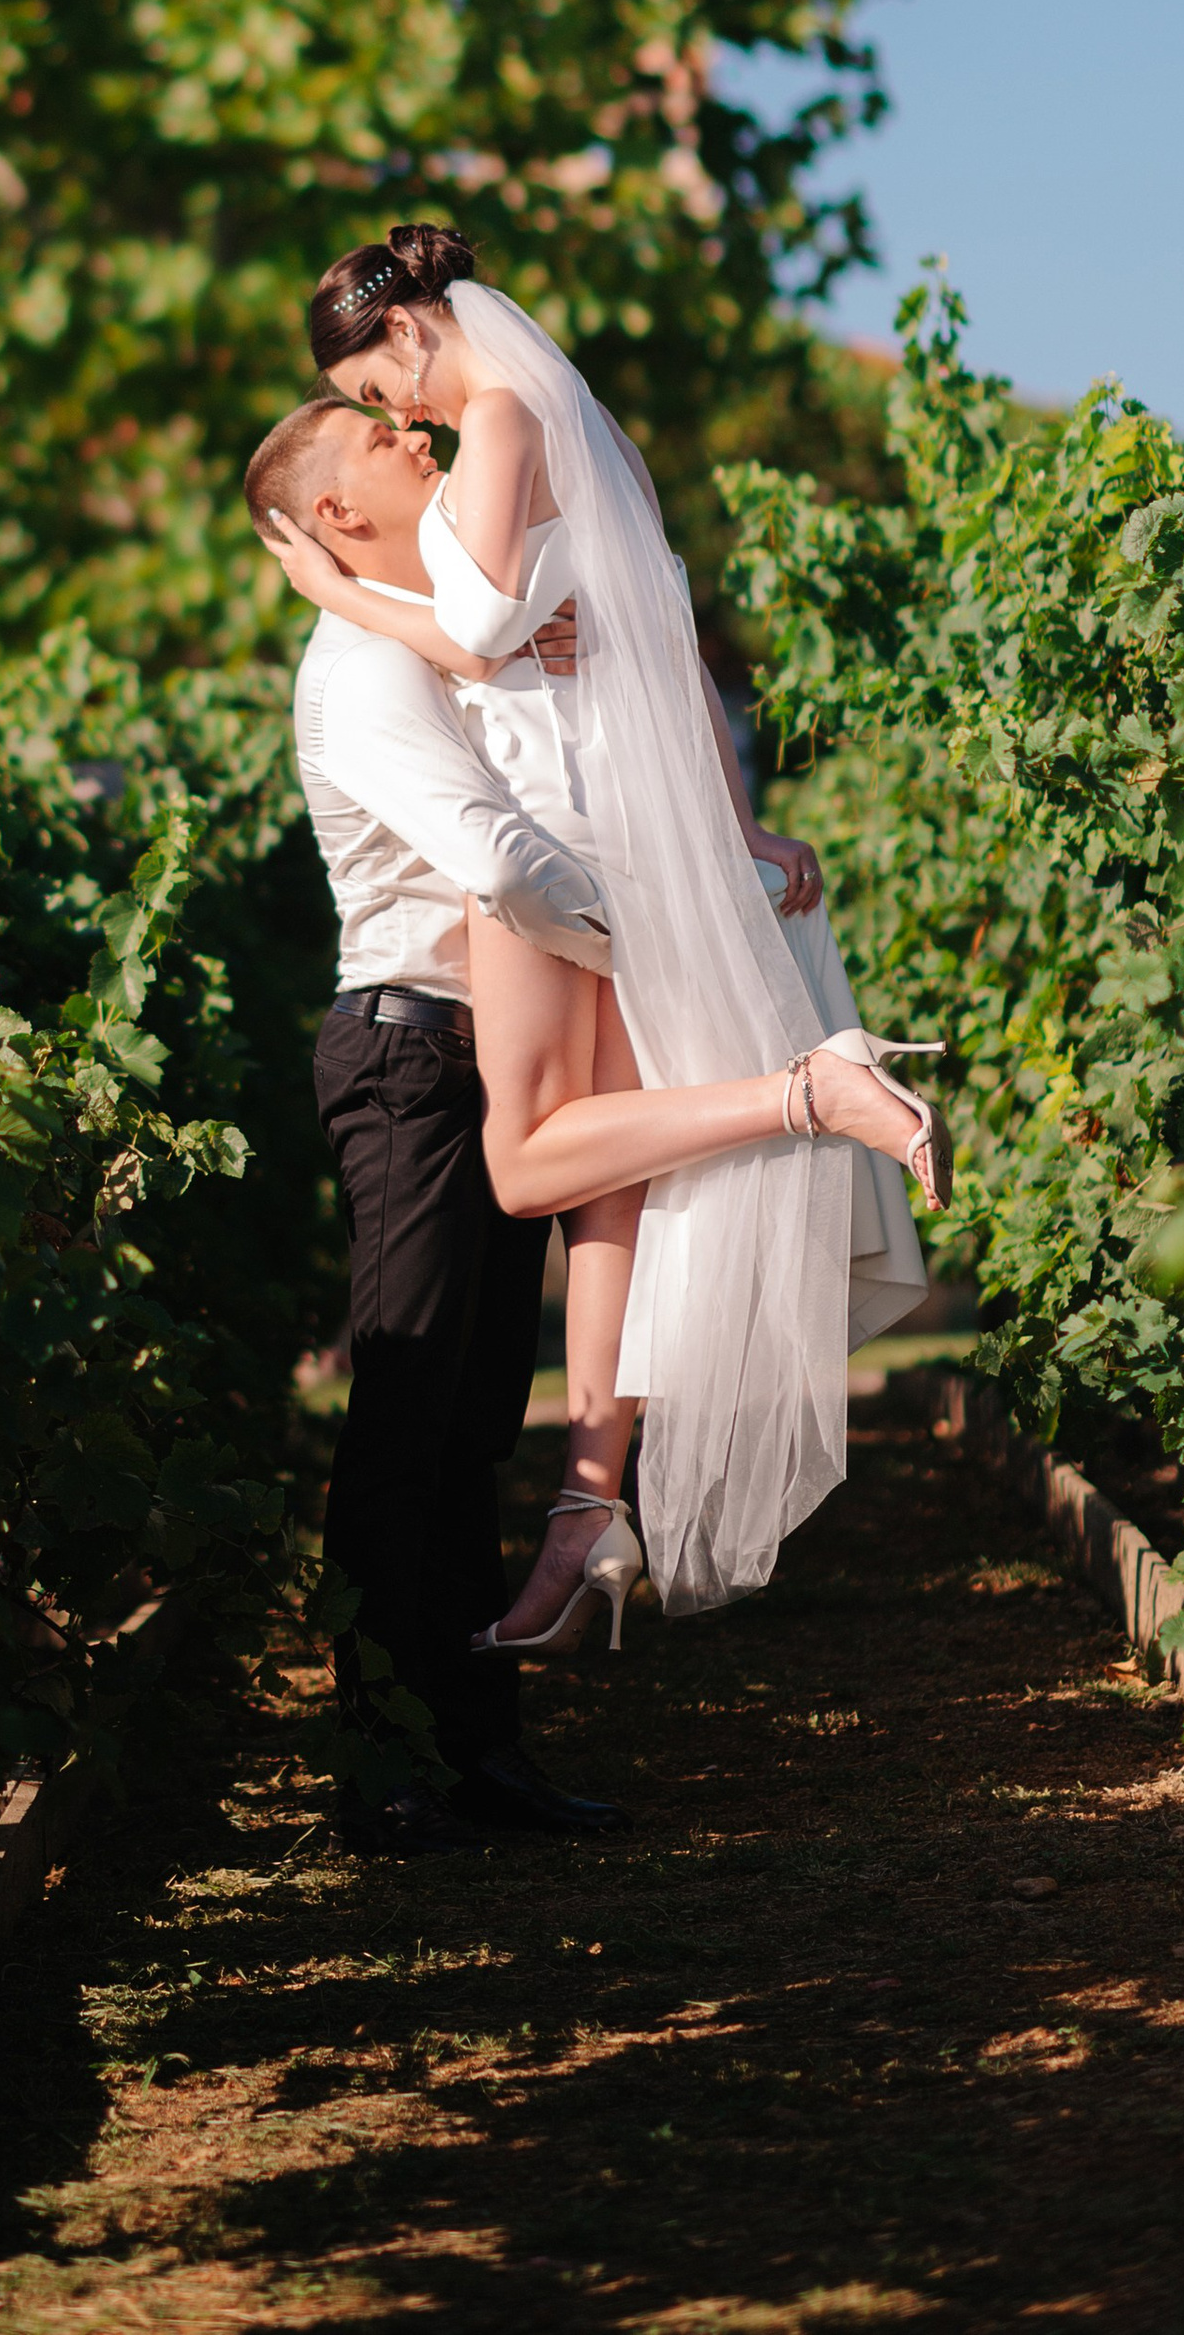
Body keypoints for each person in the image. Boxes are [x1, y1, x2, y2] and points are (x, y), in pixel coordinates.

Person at [260, 225, 940, 1625]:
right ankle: (586, 1513)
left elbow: (491, 628)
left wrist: (342, 590)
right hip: (619, 816)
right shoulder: (571, 426)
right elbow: (660, 616)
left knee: (529, 1166)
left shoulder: (500, 414)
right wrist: (730, 815)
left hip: (550, 828)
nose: (394, 420)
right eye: (377, 423)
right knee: (601, 1187)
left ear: (405, 333)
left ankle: (807, 1089)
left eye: (378, 393)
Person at [245, 392, 633, 1853]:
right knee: (405, 1422)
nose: (420, 438)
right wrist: (651, 945)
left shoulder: (436, 644)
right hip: (409, 1066)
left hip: (485, 1061)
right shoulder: (358, 669)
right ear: (334, 515)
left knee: (471, 1424)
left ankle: (481, 1754)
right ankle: (379, 1768)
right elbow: (498, 859)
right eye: (382, 441)